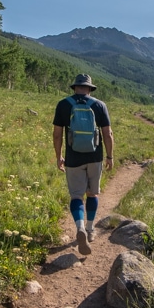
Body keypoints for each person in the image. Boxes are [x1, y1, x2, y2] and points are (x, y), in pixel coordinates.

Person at [53, 74, 114, 255]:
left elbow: (57, 135)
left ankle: (79, 226)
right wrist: (110, 156)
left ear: (75, 87)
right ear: (89, 88)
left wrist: (59, 156)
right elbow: (107, 134)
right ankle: (89, 229)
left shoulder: (63, 105)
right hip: (95, 157)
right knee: (92, 193)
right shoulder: (99, 105)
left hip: (73, 159)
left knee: (76, 196)